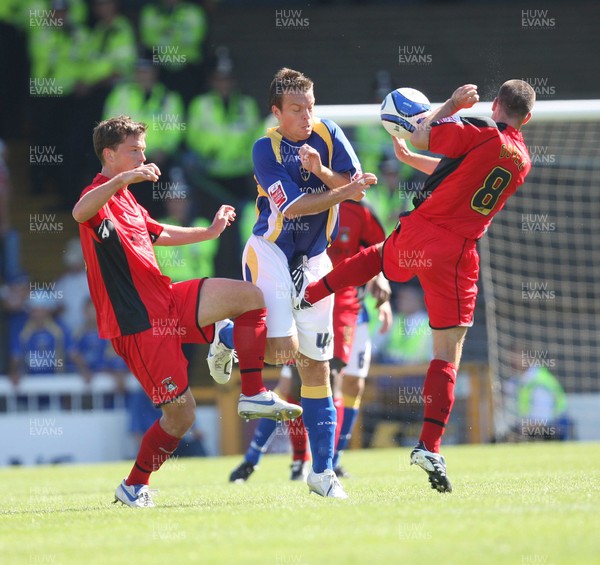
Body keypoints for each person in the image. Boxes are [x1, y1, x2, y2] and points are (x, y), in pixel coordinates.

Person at [295, 80, 536, 493]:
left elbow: (423, 131)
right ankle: (429, 444)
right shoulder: (522, 159)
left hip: (425, 231)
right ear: (527, 118)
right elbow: (459, 173)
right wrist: (414, 160)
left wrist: (450, 106)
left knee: (376, 258)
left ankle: (310, 295)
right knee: (447, 352)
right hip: (461, 252)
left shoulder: (479, 128)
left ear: (495, 103)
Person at [72, 115, 301, 508]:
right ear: (109, 155)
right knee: (181, 419)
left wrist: (209, 233)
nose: (144, 156)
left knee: (250, 297)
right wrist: (122, 180)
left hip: (166, 300)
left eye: (143, 149)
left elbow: (159, 232)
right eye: (134, 151)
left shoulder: (126, 199)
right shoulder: (100, 194)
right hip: (139, 325)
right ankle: (133, 486)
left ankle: (252, 392)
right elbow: (79, 212)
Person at [240, 68, 377, 498]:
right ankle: (226, 334)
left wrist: (325, 173)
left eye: (311, 106)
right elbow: (296, 208)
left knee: (316, 367)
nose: (306, 115)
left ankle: (322, 474)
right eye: (296, 108)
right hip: (272, 253)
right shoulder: (265, 149)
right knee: (281, 351)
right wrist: (336, 185)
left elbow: (358, 193)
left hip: (315, 259)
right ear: (276, 112)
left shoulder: (329, 133)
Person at [229, 200, 392, 484]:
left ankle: (328, 462)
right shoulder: (297, 200)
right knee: (289, 383)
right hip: (299, 296)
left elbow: (379, 248)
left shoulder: (358, 210)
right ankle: (269, 459)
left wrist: (381, 280)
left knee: (333, 378)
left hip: (342, 305)